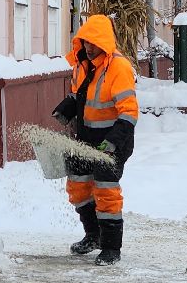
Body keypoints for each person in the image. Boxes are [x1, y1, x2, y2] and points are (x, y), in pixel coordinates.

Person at [51, 14, 138, 266]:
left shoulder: (118, 68)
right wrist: (65, 109)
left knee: (105, 189)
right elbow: (80, 94)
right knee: (78, 186)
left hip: (114, 139)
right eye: (85, 42)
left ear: (104, 43)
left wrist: (113, 142)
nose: (88, 47)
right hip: (86, 138)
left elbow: (129, 112)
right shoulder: (82, 65)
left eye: (93, 43)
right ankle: (93, 235)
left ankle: (111, 248)